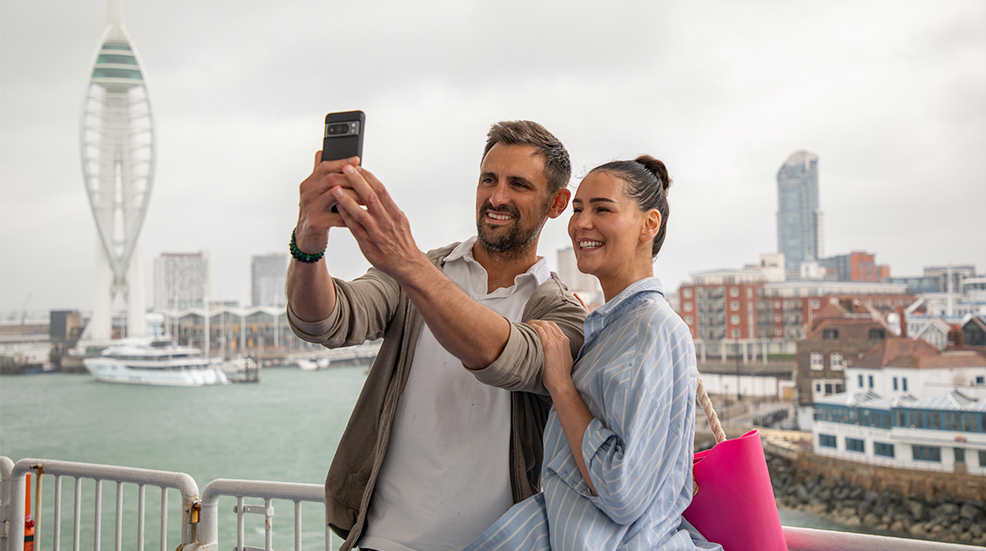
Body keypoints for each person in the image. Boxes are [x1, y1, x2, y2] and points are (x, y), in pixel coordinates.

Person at [285, 120, 588, 551]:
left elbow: (506, 356)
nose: (497, 197)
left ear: (557, 203)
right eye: (489, 180)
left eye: (518, 184)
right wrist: (309, 238)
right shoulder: (423, 271)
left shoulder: (563, 312)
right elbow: (326, 320)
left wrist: (409, 265)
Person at [465, 156, 721, 550]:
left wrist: (562, 386)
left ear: (648, 225)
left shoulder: (655, 329)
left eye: (602, 209)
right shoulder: (612, 326)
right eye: (579, 208)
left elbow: (622, 491)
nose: (580, 223)